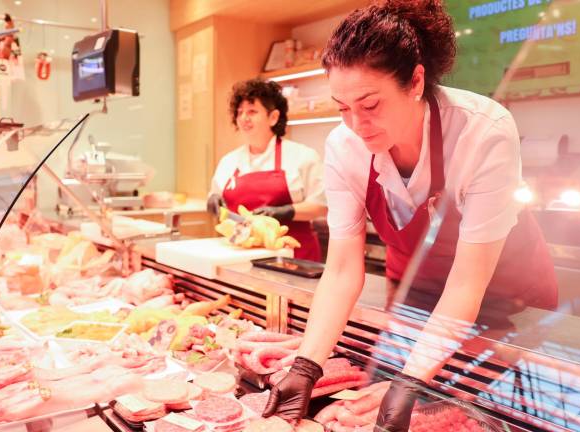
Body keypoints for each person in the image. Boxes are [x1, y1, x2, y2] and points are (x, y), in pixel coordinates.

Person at [262, 1, 558, 430]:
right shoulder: (344, 147)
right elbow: (343, 269)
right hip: (418, 298)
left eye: (370, 104)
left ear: (415, 81)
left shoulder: (482, 131)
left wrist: (411, 379)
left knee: (495, 416)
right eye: (342, 107)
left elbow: (467, 282)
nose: (356, 125)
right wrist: (307, 365)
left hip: (507, 302)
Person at [208, 79, 327, 261]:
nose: (244, 118)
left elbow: (321, 206)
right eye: (239, 112)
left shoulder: (303, 156)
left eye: (252, 111)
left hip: (294, 256)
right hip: (241, 257)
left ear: (273, 117)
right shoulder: (228, 161)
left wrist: (285, 211)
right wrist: (212, 200)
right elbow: (215, 196)